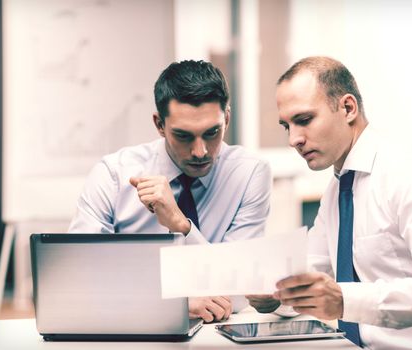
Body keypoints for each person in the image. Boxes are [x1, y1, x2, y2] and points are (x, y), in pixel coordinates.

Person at [247, 56, 412, 349]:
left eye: (304, 120)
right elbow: (311, 273)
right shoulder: (338, 188)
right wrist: (275, 294)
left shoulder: (411, 173)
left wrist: (345, 300)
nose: (293, 139)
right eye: (286, 126)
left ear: (348, 108)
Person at [68, 59, 272, 323]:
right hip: (132, 332)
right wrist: (174, 303)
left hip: (218, 335)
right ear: (159, 125)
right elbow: (81, 278)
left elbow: (242, 287)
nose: (200, 152)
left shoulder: (250, 174)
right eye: (184, 136)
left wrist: (181, 225)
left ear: (227, 119)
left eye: (212, 132)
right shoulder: (113, 175)